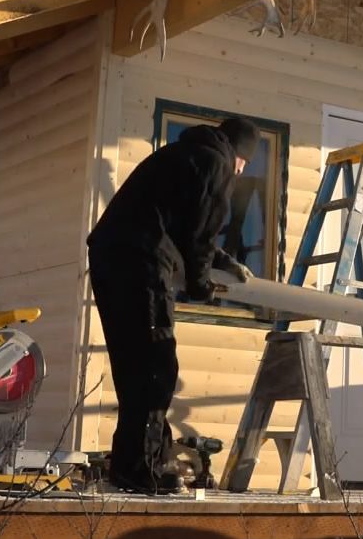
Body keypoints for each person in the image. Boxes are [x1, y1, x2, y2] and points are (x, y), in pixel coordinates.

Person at [86, 116, 260, 493]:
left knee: (136, 365)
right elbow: (199, 233)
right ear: (239, 154)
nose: (242, 170)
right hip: (140, 262)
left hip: (109, 258)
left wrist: (222, 261)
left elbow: (184, 223)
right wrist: (200, 286)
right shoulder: (218, 163)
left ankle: (142, 463)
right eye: (245, 163)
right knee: (154, 365)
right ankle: (142, 470)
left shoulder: (182, 154)